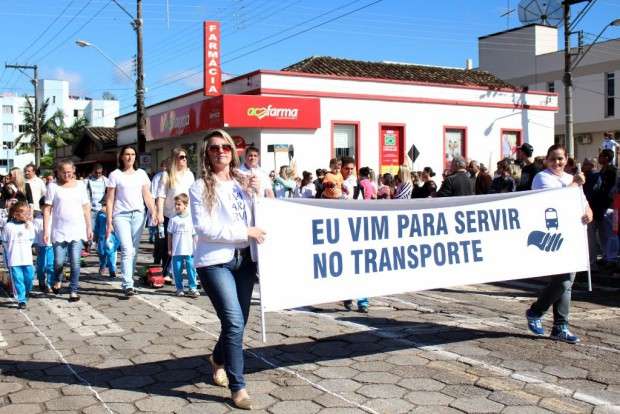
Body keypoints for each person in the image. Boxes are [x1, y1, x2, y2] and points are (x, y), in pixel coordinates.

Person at [189, 129, 265, 410]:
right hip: (215, 262)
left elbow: (261, 214)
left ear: (233, 151)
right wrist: (245, 230)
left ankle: (218, 358)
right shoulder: (199, 187)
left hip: (245, 259)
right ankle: (238, 386)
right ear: (206, 154)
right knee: (233, 321)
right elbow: (204, 228)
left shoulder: (242, 181)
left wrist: (259, 193)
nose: (220, 151)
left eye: (226, 147)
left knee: (239, 321)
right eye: (214, 148)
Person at [525, 144, 593, 344]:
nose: (557, 163)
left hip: (573, 235)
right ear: (546, 160)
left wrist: (589, 213)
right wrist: (574, 184)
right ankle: (535, 312)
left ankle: (560, 326)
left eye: (561, 159)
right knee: (564, 280)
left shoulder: (569, 178)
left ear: (566, 160)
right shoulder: (542, 177)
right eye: (553, 159)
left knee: (567, 282)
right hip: (553, 236)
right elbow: (553, 202)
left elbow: (584, 203)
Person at [106, 145, 157, 297]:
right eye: (127, 154)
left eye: (133, 154)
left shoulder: (141, 174)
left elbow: (147, 195)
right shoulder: (115, 175)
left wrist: (153, 211)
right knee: (127, 249)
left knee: (134, 250)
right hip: (121, 216)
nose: (130, 157)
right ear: (121, 157)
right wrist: (109, 220)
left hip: (138, 215)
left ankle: (130, 280)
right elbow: (110, 199)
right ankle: (127, 284)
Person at [43, 160, 93, 302]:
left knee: (75, 262)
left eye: (69, 171)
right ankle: (58, 279)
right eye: (63, 172)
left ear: (74, 171)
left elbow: (86, 208)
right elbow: (47, 210)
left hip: (77, 229)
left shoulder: (81, 186)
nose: (66, 174)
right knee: (58, 261)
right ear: (58, 172)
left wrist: (89, 227)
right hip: (59, 230)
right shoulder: (52, 187)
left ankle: (73, 290)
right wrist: (46, 230)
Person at [156, 148, 195, 284]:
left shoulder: (190, 175)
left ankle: (187, 273)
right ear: (174, 159)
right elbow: (160, 196)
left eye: (185, 157)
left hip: (187, 215)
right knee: (169, 244)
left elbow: (193, 195)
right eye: (181, 157)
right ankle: (167, 271)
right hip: (170, 215)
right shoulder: (166, 175)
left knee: (187, 243)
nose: (184, 159)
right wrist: (159, 214)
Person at [2, 200, 35, 309]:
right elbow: (5, 243)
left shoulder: (29, 225)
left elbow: (31, 240)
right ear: (16, 214)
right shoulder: (8, 226)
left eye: (28, 213)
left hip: (27, 258)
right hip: (14, 259)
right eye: (25, 213)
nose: (28, 215)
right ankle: (21, 299)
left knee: (29, 277)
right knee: (18, 279)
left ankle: (27, 291)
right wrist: (9, 255)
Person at [590, 149, 618, 268]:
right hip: (600, 207)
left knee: (611, 233)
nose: (599, 158)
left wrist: (610, 202)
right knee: (602, 233)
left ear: (606, 158)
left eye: (601, 156)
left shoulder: (613, 171)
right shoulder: (602, 170)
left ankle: (612, 258)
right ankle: (606, 255)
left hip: (611, 207)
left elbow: (613, 189)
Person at [168, 193, 199, 298]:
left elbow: (194, 235)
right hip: (177, 251)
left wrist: (196, 249)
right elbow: (170, 235)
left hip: (189, 250)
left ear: (185, 205)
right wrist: (169, 249)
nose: (177, 206)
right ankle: (179, 288)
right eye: (176, 204)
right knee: (177, 270)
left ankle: (192, 288)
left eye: (179, 204)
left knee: (191, 269)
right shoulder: (173, 220)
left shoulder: (191, 219)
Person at [33, 198, 53, 293]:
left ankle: (49, 284)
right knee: (41, 266)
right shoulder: (37, 219)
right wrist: (35, 244)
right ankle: (41, 281)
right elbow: (35, 233)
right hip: (41, 246)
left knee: (50, 266)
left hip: (52, 246)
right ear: (40, 207)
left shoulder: (54, 217)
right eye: (44, 207)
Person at [94, 203, 119, 278]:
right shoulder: (100, 214)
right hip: (102, 238)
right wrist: (96, 235)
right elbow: (97, 226)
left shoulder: (115, 213)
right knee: (102, 253)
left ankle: (112, 270)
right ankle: (102, 266)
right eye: (104, 205)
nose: (104, 207)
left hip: (112, 237)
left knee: (112, 253)